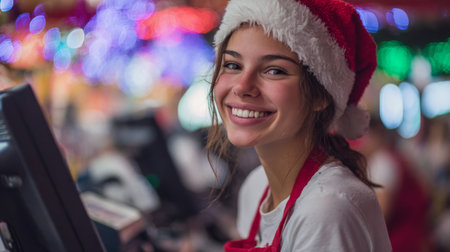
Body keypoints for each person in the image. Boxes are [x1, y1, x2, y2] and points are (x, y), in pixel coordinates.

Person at [206, 0, 392, 251]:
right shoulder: (256, 186)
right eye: (232, 65)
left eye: (274, 71)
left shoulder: (326, 208)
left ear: (320, 95)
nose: (241, 86)